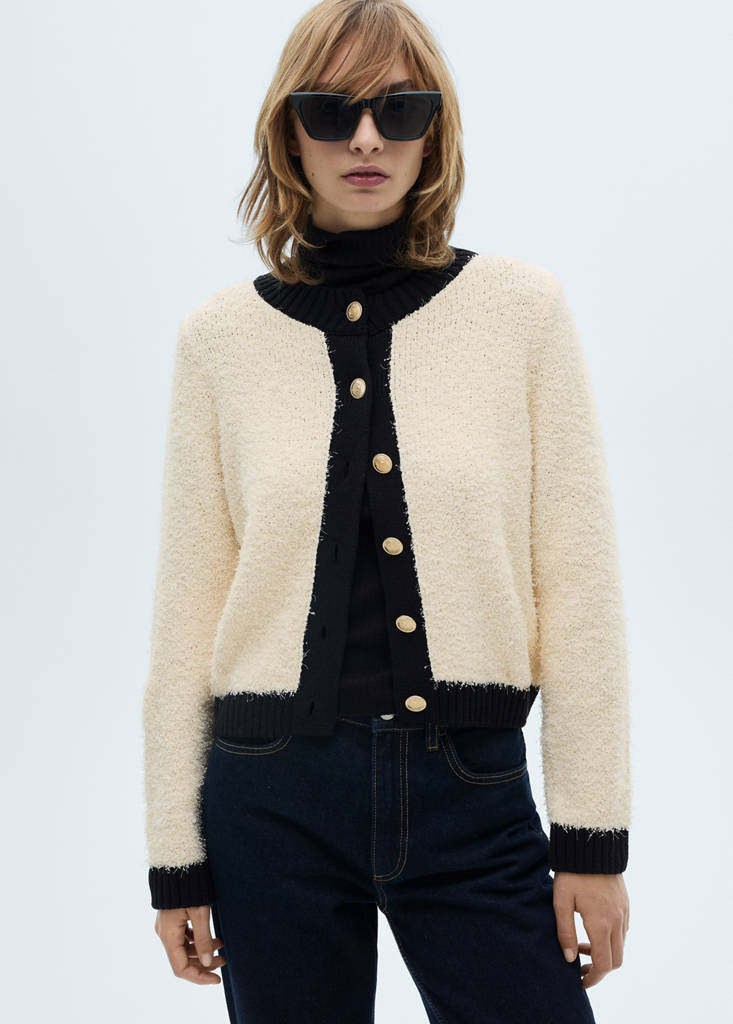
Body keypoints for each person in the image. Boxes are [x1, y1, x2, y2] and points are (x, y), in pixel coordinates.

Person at [142, 1, 631, 1020]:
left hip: (470, 793)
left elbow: (577, 588)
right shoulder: (218, 341)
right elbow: (188, 609)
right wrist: (174, 857)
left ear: (433, 131)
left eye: (398, 109)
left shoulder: (521, 313)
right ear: (289, 133)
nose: (366, 138)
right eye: (333, 110)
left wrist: (591, 841)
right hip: (268, 802)